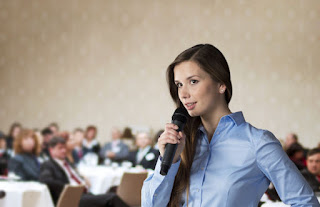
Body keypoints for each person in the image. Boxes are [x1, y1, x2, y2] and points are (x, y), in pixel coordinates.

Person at [141, 44, 319, 206]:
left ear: (221, 84)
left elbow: (306, 203)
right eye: (179, 85)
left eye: (193, 81)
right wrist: (169, 161)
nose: (184, 93)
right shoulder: (182, 144)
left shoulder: (258, 142)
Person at [39, 137, 129, 207]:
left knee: (113, 190)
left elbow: (75, 176)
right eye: (60, 148)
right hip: (72, 198)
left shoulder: (67, 163)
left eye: (64, 148)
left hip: (84, 193)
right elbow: (45, 180)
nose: (64, 151)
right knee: (112, 198)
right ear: (51, 150)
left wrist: (82, 179)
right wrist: (70, 188)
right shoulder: (48, 164)